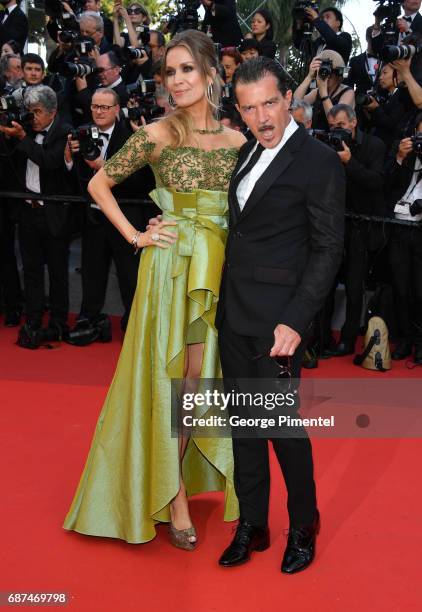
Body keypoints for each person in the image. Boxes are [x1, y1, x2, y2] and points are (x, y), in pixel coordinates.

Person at [63, 30, 244, 548]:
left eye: (188, 69)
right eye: (171, 71)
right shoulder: (158, 134)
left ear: (211, 75)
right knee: (175, 376)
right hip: (169, 269)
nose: (178, 80)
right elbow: (99, 183)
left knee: (197, 379)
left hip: (217, 269)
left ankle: (175, 478)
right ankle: (176, 496)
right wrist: (138, 236)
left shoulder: (236, 142)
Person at [215, 57, 345, 573]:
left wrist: (296, 320)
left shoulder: (317, 161)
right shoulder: (247, 152)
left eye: (269, 102)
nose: (262, 117)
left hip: (278, 326)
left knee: (282, 429)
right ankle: (253, 524)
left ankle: (303, 526)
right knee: (244, 426)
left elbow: (328, 248)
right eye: (249, 108)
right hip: (236, 314)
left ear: (289, 97)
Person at [64, 88, 156, 342]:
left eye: (105, 107)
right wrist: (69, 159)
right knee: (92, 271)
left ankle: (134, 323)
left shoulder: (132, 137)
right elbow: (73, 180)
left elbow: (142, 181)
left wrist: (106, 169)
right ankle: (89, 320)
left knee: (129, 274)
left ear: (117, 109)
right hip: (93, 216)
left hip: (125, 217)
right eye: (95, 106)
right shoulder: (81, 135)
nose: (99, 111)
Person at [0, 85, 73, 346]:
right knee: (31, 271)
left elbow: (49, 161)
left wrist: (22, 139)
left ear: (52, 111)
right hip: (28, 212)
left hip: (53, 213)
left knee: (57, 271)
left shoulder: (64, 131)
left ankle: (57, 322)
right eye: (30, 112)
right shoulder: (26, 130)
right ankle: (32, 320)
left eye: (38, 112)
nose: (33, 117)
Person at [384, 114, 422, 364]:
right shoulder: (405, 157)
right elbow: (385, 184)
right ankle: (404, 339)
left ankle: (419, 343)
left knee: (419, 291)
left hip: (420, 233)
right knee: (400, 288)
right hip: (398, 228)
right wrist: (399, 157)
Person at [294, 49, 355, 130]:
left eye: (330, 73)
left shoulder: (348, 92)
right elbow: (296, 102)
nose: (327, 77)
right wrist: (309, 76)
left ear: (338, 74)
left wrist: (323, 93)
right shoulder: (318, 91)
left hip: (336, 140)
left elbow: (336, 119)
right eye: (323, 71)